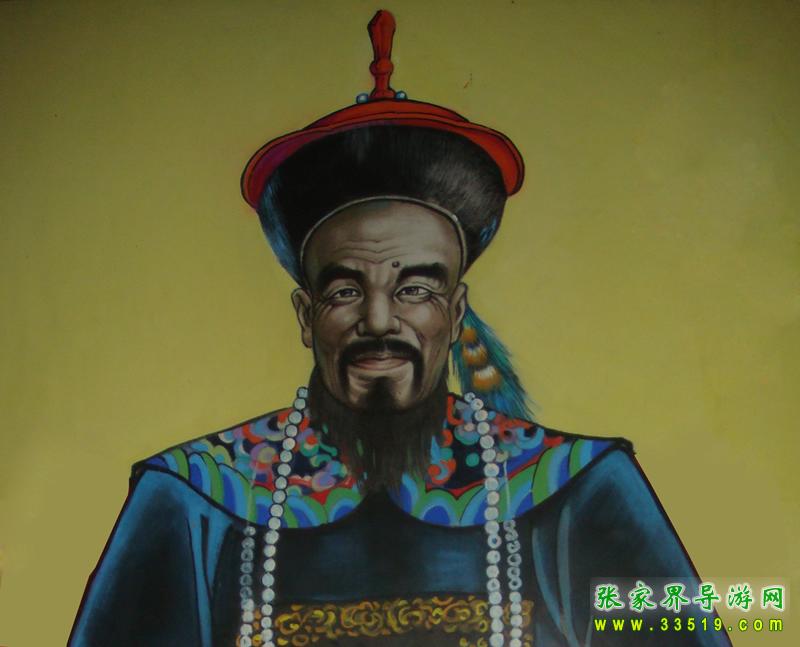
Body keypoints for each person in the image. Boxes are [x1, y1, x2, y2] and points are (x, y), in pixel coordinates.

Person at [70, 11, 731, 647]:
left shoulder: (577, 487)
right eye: (345, 291)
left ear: (456, 311)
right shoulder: (195, 498)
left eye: (415, 289)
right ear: (306, 316)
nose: (380, 321)